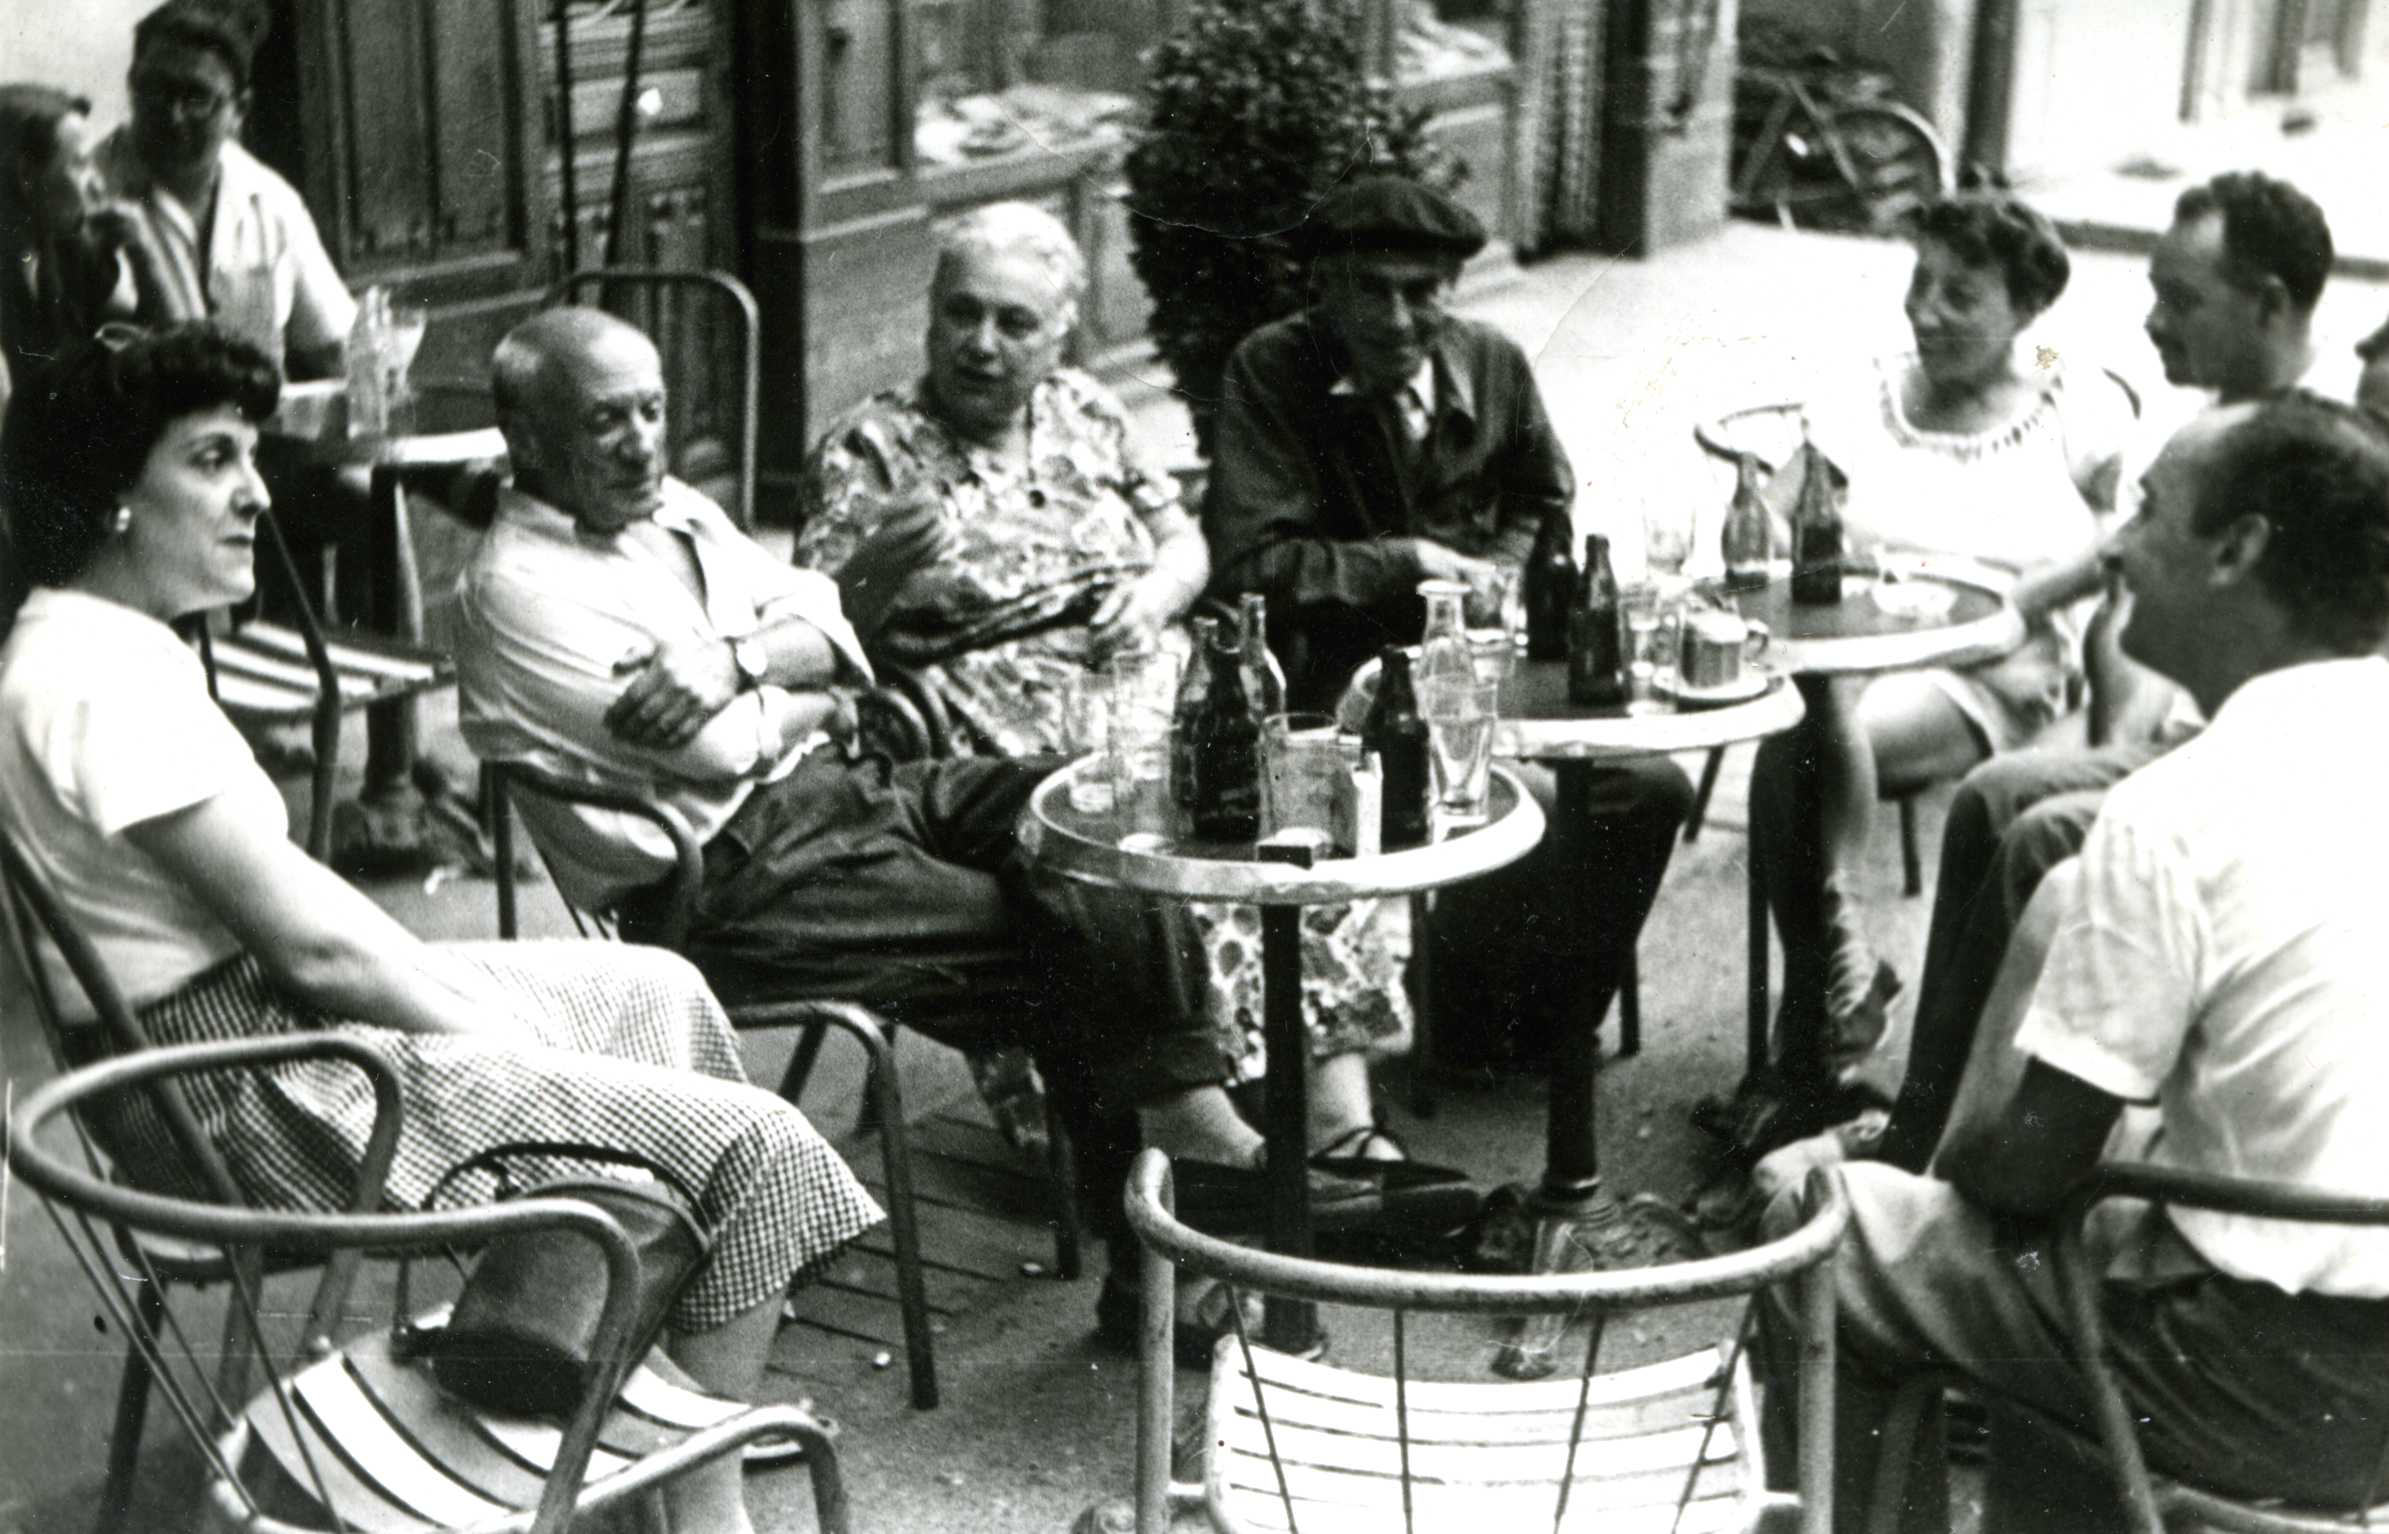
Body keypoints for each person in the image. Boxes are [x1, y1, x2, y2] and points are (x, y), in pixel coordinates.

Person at [0, 323, 883, 1534]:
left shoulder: (91, 646)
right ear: (108, 495)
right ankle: (694, 1504)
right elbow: (317, 949)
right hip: (242, 1095)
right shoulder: (97, 681)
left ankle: (603, 1382)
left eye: (249, 454)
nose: (258, 490)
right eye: (211, 460)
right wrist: (521, 1057)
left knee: (658, 991)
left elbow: (314, 935)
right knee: (755, 1146)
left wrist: (516, 1033)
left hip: (249, 1030)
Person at [453, 307, 1416, 1353]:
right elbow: (729, 747)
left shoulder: (668, 505)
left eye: (651, 410)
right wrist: (798, 671)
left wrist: (741, 661)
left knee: (1085, 815)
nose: (642, 441)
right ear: (530, 440)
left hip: (844, 785)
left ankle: (1191, 1161)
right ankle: (1183, 1221)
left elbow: (820, 612)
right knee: (1054, 932)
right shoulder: (518, 589)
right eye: (605, 422)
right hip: (728, 876)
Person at [1759, 391, 2389, 1534]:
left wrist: (1956, 1132)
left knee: (1825, 1224)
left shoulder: (2179, 810)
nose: (2111, 545)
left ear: (2238, 550)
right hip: (2343, 1330)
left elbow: (2025, 1174)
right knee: (2087, 1252)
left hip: (2277, 1377)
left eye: (2147, 510)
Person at [795, 201, 1413, 1159]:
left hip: (1151, 683)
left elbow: (1182, 537)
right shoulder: (868, 447)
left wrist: (1161, 591)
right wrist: (876, 566)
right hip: (993, 726)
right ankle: (1208, 1134)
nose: (982, 344)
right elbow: (820, 634)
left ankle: (1336, 1125)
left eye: (1015, 323)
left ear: (1061, 336)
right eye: (962, 314)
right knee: (1168, 864)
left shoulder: (1086, 409)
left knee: (1291, 828)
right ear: (928, 318)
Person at [1842, 170, 2340, 1174]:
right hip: (2200, 747)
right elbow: (2124, 580)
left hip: (2289, 772)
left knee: (2034, 826)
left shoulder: (2316, 451)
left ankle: (1969, 1151)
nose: (2150, 320)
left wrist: (2137, 760)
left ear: (2269, 305)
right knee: (1994, 796)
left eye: (2179, 299)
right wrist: (2121, 738)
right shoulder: (2206, 423)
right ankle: (1928, 1116)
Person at [1203, 173, 1693, 1071]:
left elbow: (1546, 501)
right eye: (1370, 292)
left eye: (1420, 293)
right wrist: (1412, 563)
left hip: (1489, 671)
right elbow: (1250, 566)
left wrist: (1500, 572)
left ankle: (1537, 1020)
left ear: (1452, 291)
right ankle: (1457, 1017)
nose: (1397, 320)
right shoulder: (1272, 372)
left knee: (1649, 785)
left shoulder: (1492, 363)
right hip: (1340, 690)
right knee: (1531, 802)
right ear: (1325, 288)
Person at [1721, 193, 2136, 1162]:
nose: (1927, 312)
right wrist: (1774, 535)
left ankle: (1815, 1013)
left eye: (1960, 294)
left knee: (1810, 737)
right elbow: (1776, 508)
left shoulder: (2070, 399)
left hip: (1991, 662)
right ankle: (1837, 984)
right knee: (1810, 718)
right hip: (1850, 653)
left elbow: (2129, 538)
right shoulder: (1872, 392)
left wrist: (2030, 601)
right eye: (1919, 285)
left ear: (2025, 307)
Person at [92, 0, 353, 379]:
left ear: (239, 110)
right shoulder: (89, 193)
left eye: (197, 98)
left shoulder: (271, 202)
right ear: (132, 85)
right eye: (156, 91)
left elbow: (332, 350)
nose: (173, 115)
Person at [0, 84, 180, 411]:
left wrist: (145, 253)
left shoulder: (66, 247)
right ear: (26, 177)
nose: (97, 182)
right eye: (80, 165)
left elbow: (181, 353)